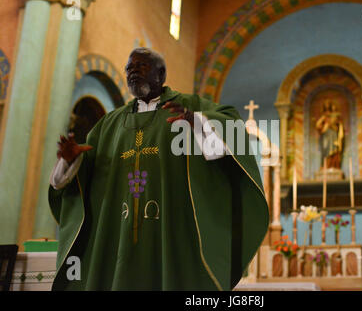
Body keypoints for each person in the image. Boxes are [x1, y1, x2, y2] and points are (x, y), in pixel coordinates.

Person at [49, 47, 269, 290]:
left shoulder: (189, 105)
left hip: (173, 230)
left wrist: (197, 122)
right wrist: (70, 162)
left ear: (161, 73)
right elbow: (86, 183)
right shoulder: (109, 125)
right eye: (129, 68)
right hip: (117, 234)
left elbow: (234, 135)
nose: (133, 72)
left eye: (140, 66)